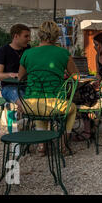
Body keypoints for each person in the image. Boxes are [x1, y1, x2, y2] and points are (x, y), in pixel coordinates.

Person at [18, 21, 79, 155]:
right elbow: (76, 77)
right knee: (72, 108)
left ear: (39, 35)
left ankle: (41, 147)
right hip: (54, 104)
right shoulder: (63, 53)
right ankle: (63, 144)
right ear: (56, 36)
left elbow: (20, 78)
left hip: (30, 105)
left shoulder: (28, 53)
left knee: (40, 103)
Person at [0, 24, 31, 109]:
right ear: (16, 36)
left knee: (38, 101)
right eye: (26, 36)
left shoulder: (28, 49)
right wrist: (10, 74)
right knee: (25, 104)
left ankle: (20, 117)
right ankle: (19, 117)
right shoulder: (3, 51)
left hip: (27, 86)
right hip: (9, 87)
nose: (29, 39)